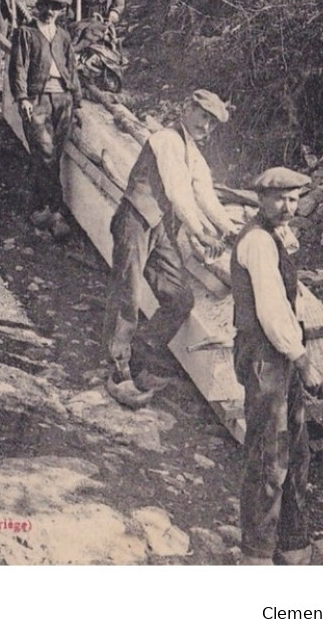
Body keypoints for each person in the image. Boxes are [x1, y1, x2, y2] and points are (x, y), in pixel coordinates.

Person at [103, 89, 239, 408]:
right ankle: (118, 369)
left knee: (179, 297)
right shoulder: (166, 139)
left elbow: (205, 195)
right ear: (188, 109)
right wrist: (201, 234)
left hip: (159, 226)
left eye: (212, 124)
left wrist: (230, 231)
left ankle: (143, 354)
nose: (206, 127)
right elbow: (178, 193)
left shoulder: (193, 153)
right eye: (203, 117)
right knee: (128, 294)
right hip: (135, 218)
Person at [231, 167, 323, 566]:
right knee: (270, 457)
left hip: (280, 353)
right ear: (260, 199)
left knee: (296, 450)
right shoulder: (256, 242)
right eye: (279, 199)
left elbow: (288, 296)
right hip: (264, 357)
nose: (287, 207)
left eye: (293, 199)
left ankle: (293, 544)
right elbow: (270, 309)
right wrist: (301, 359)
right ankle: (257, 555)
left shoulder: (276, 236)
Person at [9, 0, 82, 237]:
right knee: (45, 152)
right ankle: (56, 212)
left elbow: (72, 69)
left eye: (55, 8)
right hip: (37, 99)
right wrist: (22, 98)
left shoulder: (62, 35)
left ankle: (39, 207)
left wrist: (78, 103)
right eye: (46, 6)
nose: (50, 12)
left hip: (63, 99)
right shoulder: (26, 34)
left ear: (61, 11)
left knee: (54, 156)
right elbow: (18, 67)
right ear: (37, 7)